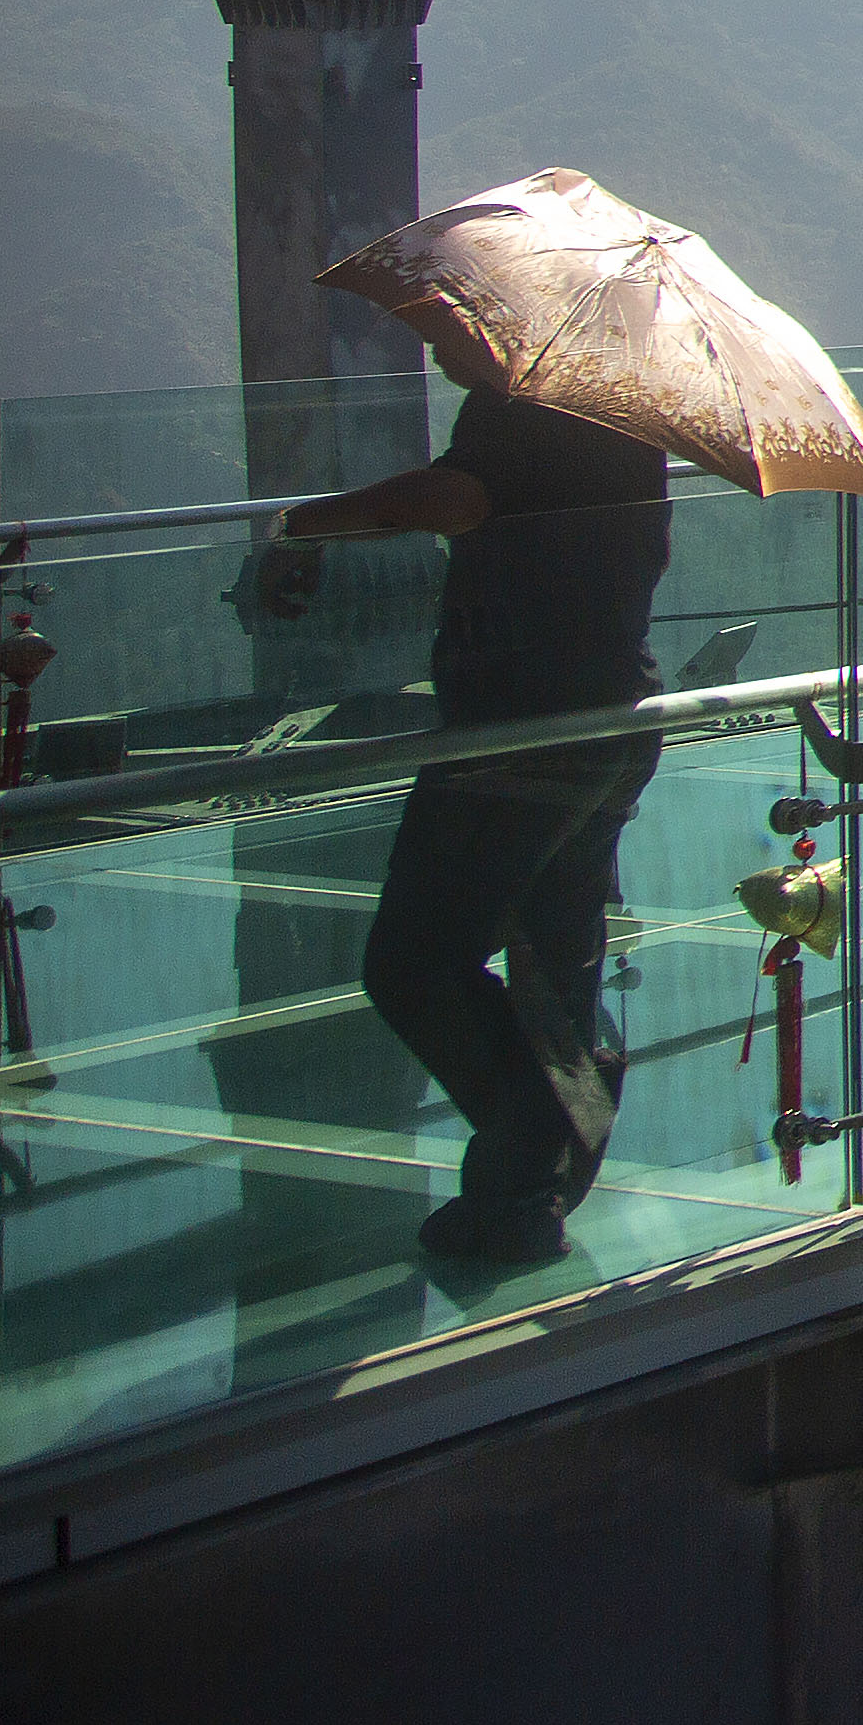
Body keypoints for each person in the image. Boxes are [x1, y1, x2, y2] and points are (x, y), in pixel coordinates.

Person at [262, 381, 678, 1271]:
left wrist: (302, 525)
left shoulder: (519, 401)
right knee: (554, 958)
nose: (444, 336)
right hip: (612, 712)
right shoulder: (628, 407)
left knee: (414, 960)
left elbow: (455, 499)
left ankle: (539, 1154)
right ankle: (531, 1184)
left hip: (514, 733)